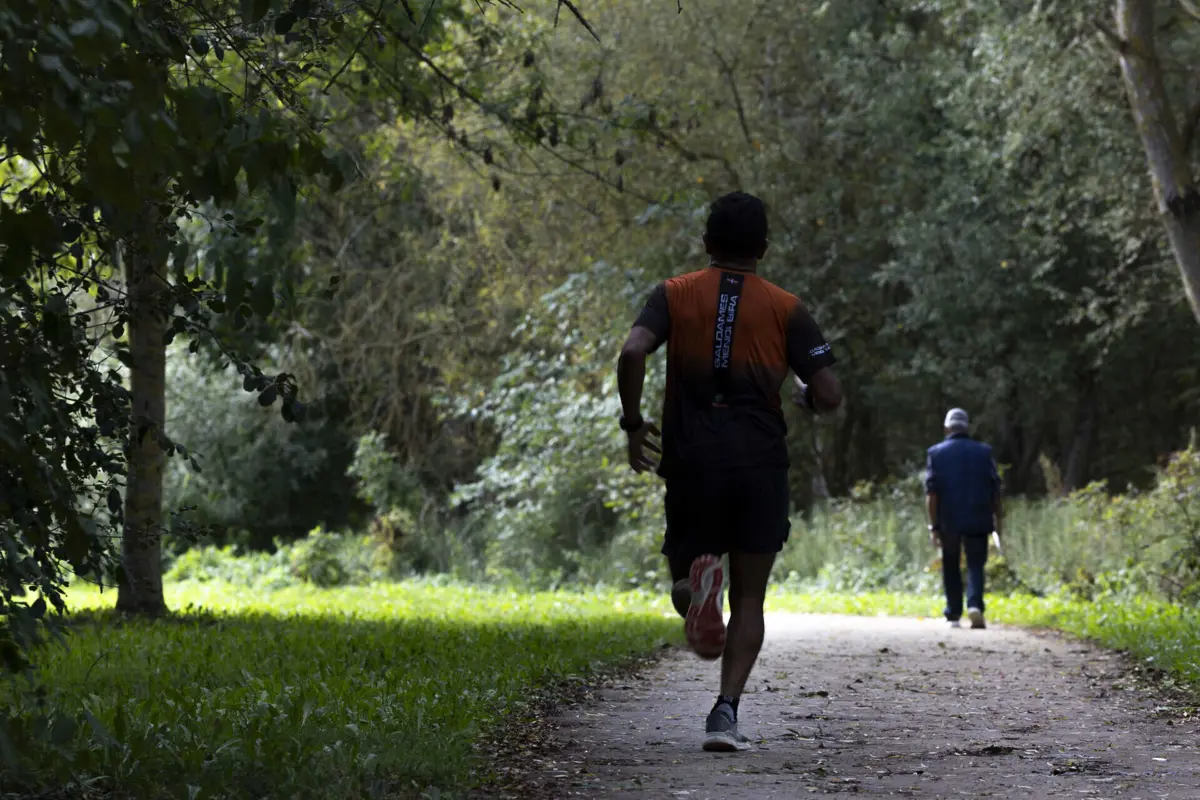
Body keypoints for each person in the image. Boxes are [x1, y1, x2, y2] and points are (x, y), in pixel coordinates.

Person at [615, 191, 842, 752]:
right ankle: (725, 712)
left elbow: (632, 351)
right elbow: (831, 393)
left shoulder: (673, 294)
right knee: (751, 600)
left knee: (683, 582)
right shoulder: (787, 307)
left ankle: (696, 589)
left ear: (706, 243)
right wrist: (807, 400)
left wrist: (633, 423)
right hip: (759, 463)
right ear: (763, 248)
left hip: (692, 461)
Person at [924, 408, 1004, 630]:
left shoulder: (936, 453)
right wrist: (998, 519)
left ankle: (953, 615)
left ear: (947, 427)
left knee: (950, 564)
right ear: (967, 427)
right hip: (979, 516)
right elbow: (995, 490)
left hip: (948, 520)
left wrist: (933, 525)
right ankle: (975, 605)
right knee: (976, 563)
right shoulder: (984, 452)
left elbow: (932, 493)